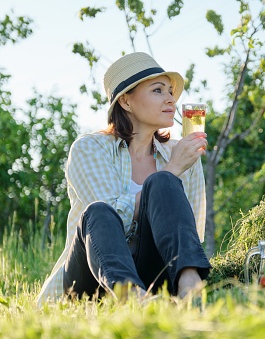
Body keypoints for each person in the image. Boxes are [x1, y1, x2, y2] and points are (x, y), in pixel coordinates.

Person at [36, 52, 211, 305]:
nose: (170, 99)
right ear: (126, 102)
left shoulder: (181, 153)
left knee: (161, 182)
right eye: (158, 90)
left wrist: (172, 171)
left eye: (170, 91)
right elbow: (109, 225)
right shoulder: (89, 148)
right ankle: (133, 299)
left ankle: (191, 292)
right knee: (99, 211)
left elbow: (186, 230)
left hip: (155, 274)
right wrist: (171, 170)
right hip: (93, 278)